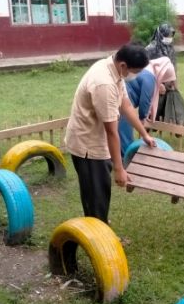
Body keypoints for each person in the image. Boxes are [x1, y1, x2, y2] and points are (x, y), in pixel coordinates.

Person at [65, 43, 156, 225]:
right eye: (136, 71)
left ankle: (100, 226)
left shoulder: (114, 70)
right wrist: (119, 169)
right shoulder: (104, 84)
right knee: (96, 194)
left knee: (101, 191)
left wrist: (143, 133)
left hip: (96, 139)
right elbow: (111, 131)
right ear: (123, 65)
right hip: (87, 146)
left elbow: (126, 105)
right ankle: (98, 239)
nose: (136, 75)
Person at [119, 57, 176, 157]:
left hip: (121, 100)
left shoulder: (146, 70)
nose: (162, 83)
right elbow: (145, 100)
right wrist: (142, 117)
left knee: (117, 132)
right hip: (124, 104)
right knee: (125, 135)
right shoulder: (150, 77)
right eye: (163, 80)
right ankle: (126, 162)